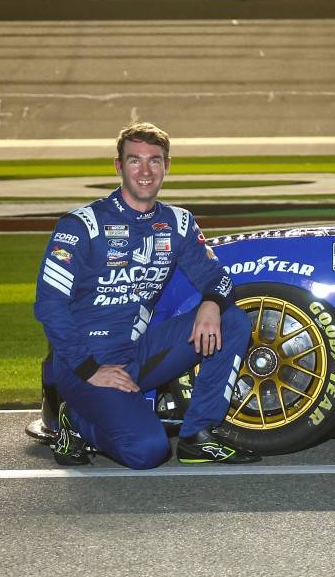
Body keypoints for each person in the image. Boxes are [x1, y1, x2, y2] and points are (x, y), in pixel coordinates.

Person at [34, 123, 258, 468]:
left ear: (166, 166)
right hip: (85, 364)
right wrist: (88, 368)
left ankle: (199, 435)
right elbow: (50, 305)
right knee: (147, 451)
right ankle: (74, 423)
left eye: (155, 161)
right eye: (135, 160)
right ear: (118, 166)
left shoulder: (177, 222)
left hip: (137, 352)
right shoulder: (80, 225)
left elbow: (217, 277)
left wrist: (211, 304)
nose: (145, 171)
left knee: (232, 320)